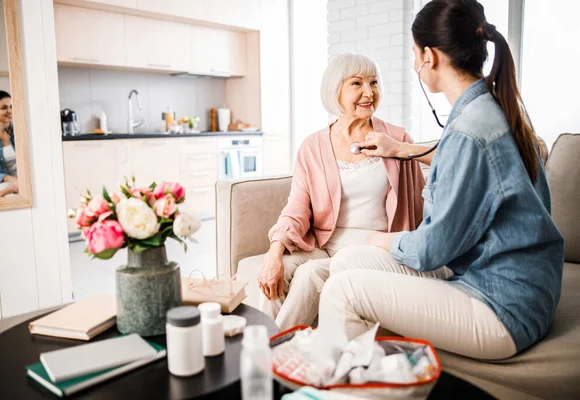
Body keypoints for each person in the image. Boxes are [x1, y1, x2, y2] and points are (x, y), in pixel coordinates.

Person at [318, 0, 564, 360]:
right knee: (345, 262)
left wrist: (381, 239)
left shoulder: (471, 128)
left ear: (430, 57)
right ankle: (381, 368)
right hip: (502, 279)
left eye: (416, 55)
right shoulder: (492, 106)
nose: (415, 64)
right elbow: (468, 160)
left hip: (503, 306)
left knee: (344, 290)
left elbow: (432, 249)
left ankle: (345, 384)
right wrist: (401, 149)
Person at [236, 53, 451, 331]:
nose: (368, 92)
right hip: (326, 248)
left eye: (374, 83)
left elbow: (431, 185)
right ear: (335, 89)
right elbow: (297, 207)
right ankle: (266, 347)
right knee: (273, 275)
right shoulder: (313, 146)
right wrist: (274, 252)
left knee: (310, 275)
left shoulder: (396, 139)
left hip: (375, 250)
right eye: (357, 83)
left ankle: (272, 353)